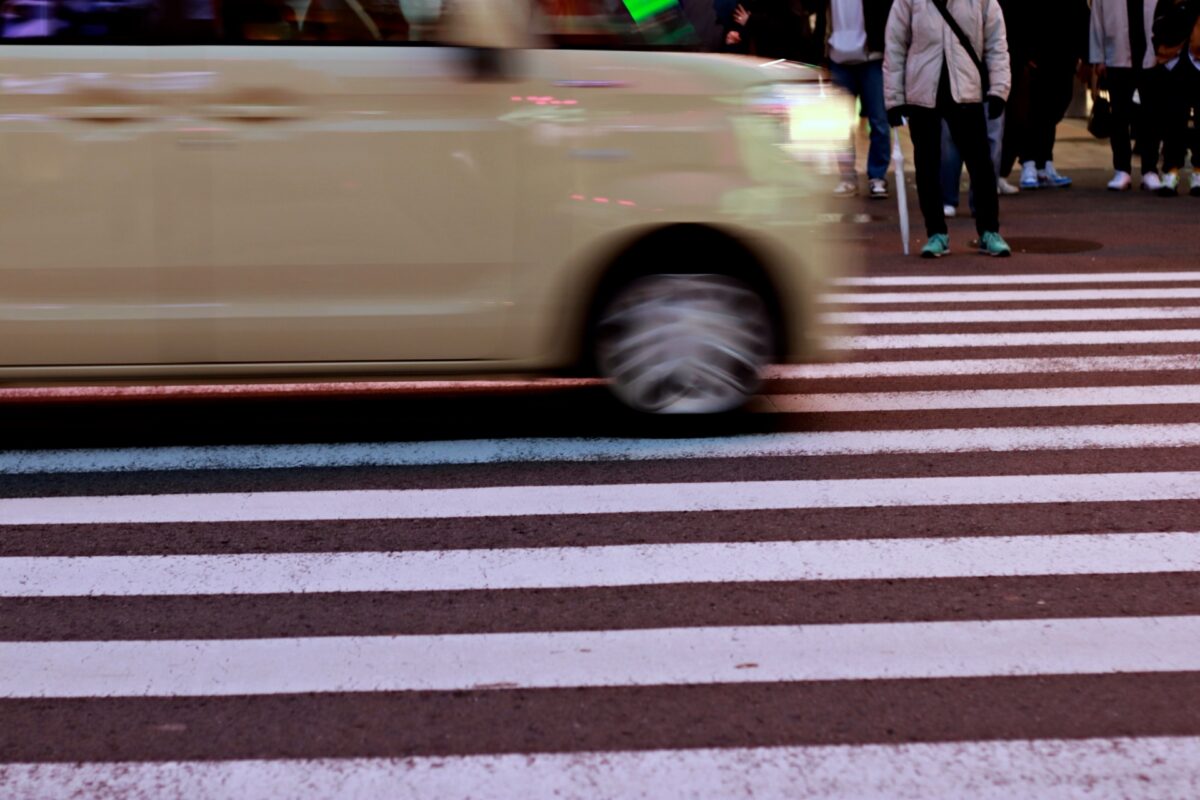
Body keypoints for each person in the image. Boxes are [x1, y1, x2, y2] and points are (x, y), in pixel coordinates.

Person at [884, 0, 1012, 258]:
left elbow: (996, 43)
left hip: (966, 89)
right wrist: (894, 98)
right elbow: (895, 45)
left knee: (981, 164)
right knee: (927, 165)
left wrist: (999, 88)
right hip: (922, 90)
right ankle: (936, 233)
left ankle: (989, 231)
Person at [814, 0, 894, 198]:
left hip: (871, 57)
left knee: (880, 121)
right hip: (837, 58)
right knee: (841, 124)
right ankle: (847, 176)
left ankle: (877, 176)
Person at [1091, 0, 1165, 190]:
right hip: (1116, 56)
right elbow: (1097, 19)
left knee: (1151, 115)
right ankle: (1122, 169)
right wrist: (1098, 57)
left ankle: (1149, 169)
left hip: (1153, 57)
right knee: (1119, 116)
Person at [1017, 0, 1090, 189]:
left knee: (1053, 110)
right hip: (1037, 61)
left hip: (1064, 60)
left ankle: (1044, 162)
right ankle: (1029, 163)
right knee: (1033, 111)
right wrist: (1024, 54)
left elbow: (1082, 17)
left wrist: (1087, 58)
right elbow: (1019, 16)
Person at [1153, 0, 1200, 195]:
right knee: (1173, 119)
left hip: (1197, 62)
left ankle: (1198, 172)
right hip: (1173, 63)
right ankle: (1171, 171)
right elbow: (1158, 26)